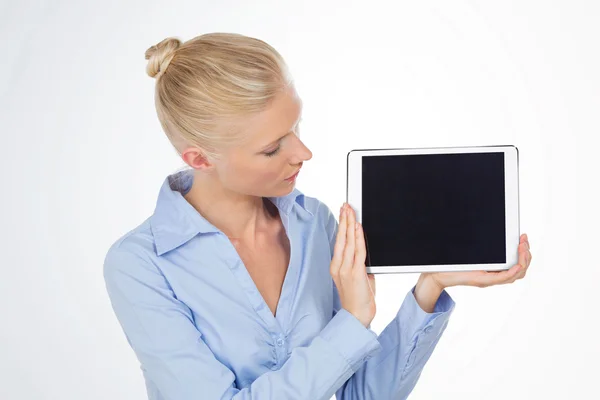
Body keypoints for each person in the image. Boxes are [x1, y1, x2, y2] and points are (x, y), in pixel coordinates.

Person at [103, 32, 533, 400]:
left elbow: (360, 394)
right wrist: (351, 322)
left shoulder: (315, 226)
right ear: (198, 159)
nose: (303, 153)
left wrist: (430, 286)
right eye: (272, 148)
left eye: (296, 127)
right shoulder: (142, 264)